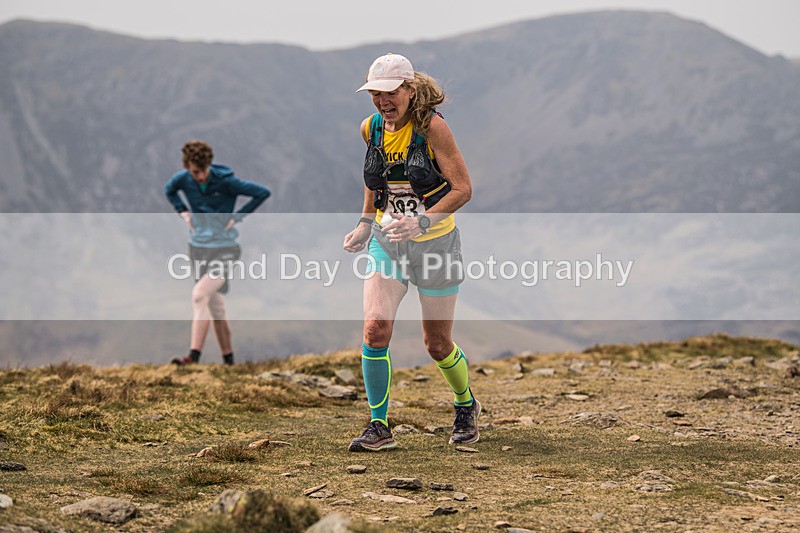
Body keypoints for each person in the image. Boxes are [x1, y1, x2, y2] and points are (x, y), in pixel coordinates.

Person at [343, 53, 480, 451]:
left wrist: (421, 221)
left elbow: (462, 190)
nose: (383, 101)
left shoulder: (434, 129)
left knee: (436, 344)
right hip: (388, 243)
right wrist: (365, 223)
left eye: (390, 93)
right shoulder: (371, 128)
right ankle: (379, 425)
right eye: (375, 94)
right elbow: (375, 178)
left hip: (436, 245)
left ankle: (465, 405)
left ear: (410, 90)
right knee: (374, 329)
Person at [165, 140, 270, 366]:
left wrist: (238, 217)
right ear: (187, 167)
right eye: (195, 172)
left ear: (209, 165)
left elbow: (262, 193)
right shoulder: (182, 180)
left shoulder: (226, 181)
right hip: (198, 249)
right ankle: (229, 361)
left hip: (225, 249)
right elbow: (169, 190)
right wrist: (182, 211)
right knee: (215, 305)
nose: (200, 177)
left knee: (199, 295)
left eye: (203, 171)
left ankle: (193, 357)